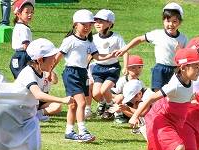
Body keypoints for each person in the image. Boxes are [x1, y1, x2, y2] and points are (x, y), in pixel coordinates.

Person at [121, 48, 199, 150]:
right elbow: (150, 99)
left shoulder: (189, 81)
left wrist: (191, 100)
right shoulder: (174, 85)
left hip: (174, 122)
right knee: (178, 147)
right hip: (161, 120)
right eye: (196, 66)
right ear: (183, 68)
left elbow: (181, 98)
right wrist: (135, 116)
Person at [54, 9, 115, 142]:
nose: (87, 27)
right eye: (84, 24)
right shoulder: (70, 40)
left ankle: (69, 132)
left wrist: (111, 55)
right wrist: (48, 71)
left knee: (73, 105)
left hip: (82, 73)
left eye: (89, 24)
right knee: (81, 102)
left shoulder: (89, 41)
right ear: (75, 24)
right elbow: (58, 57)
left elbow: (97, 56)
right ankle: (82, 131)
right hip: (71, 73)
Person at [116, 2, 187, 91]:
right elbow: (139, 39)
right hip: (160, 69)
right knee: (157, 95)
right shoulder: (157, 34)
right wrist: (125, 48)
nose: (171, 24)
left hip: (176, 70)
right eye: (168, 21)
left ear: (180, 22)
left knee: (172, 95)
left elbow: (186, 58)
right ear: (163, 21)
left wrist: (180, 53)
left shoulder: (183, 38)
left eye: (174, 21)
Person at [91, 9, 128, 119]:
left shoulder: (116, 37)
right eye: (96, 21)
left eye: (101, 21)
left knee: (104, 90)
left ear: (110, 23)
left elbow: (125, 51)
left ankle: (110, 106)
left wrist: (125, 66)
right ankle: (103, 103)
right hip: (98, 68)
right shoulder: (93, 38)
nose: (97, 23)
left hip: (112, 68)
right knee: (96, 94)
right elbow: (90, 53)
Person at [111, 55, 144, 123]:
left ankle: (136, 117)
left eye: (139, 67)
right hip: (121, 102)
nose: (137, 70)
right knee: (119, 97)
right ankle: (118, 115)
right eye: (133, 68)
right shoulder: (122, 80)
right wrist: (122, 97)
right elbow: (112, 93)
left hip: (131, 103)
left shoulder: (140, 83)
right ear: (127, 69)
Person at [9, 0, 34, 79]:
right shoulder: (24, 28)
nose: (30, 14)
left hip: (17, 56)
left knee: (19, 79)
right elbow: (26, 46)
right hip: (23, 57)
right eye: (27, 12)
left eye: (32, 12)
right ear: (19, 14)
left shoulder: (18, 26)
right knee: (25, 79)